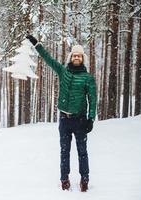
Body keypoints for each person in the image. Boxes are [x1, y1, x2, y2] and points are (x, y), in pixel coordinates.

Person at [26, 35, 97, 192]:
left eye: (79, 55)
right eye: (74, 55)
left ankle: (84, 180)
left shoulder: (87, 78)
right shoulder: (63, 72)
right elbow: (48, 59)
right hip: (64, 120)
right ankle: (64, 179)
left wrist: (90, 119)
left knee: (82, 152)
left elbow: (93, 99)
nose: (76, 57)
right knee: (64, 151)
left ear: (82, 58)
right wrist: (36, 44)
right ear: (71, 57)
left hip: (80, 121)